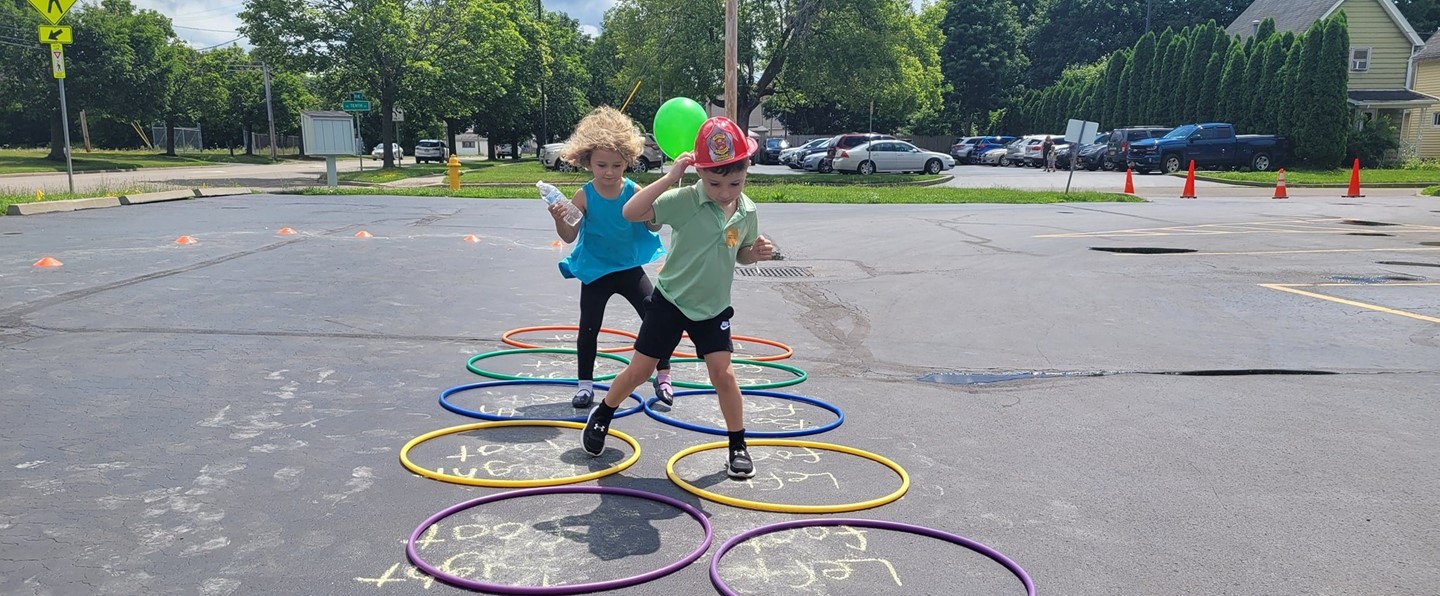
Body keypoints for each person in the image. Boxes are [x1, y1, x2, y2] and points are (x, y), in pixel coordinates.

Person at [580, 116, 775, 479]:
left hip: (713, 307)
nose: (725, 192)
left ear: (747, 171)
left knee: (724, 373)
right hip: (670, 302)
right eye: (715, 182)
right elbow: (631, 212)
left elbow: (742, 253)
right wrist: (671, 177)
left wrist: (756, 253)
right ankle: (604, 412)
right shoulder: (685, 200)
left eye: (735, 182)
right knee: (641, 370)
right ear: (700, 173)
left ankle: (737, 443)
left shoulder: (747, 211)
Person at [548, 106, 674, 409]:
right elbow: (568, 236)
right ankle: (585, 385)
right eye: (601, 164)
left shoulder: (634, 190)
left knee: (656, 317)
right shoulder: (584, 195)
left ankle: (665, 375)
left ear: (628, 162)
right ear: (587, 161)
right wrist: (558, 218)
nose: (608, 172)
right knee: (589, 325)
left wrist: (659, 206)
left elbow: (653, 224)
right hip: (595, 271)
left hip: (629, 267)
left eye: (616, 165)